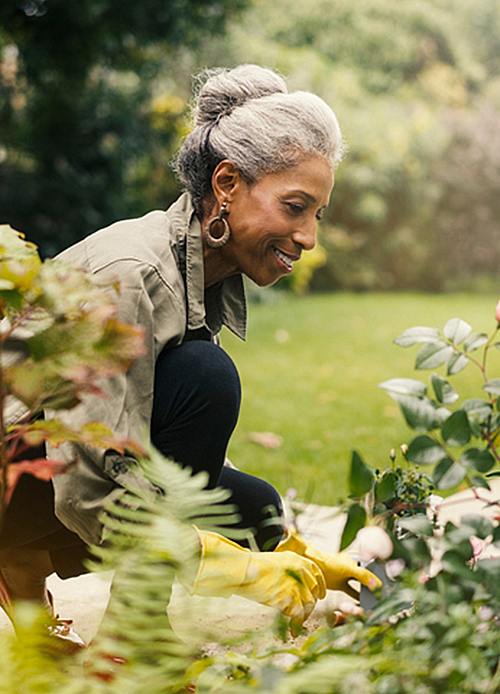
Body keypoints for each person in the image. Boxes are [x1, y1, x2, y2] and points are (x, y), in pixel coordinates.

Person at [0, 64, 380, 649]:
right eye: (296, 207)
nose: (308, 237)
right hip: (23, 474)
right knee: (207, 377)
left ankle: (21, 565)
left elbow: (155, 449)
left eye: (317, 215)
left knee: (256, 512)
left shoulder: (200, 274)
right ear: (226, 184)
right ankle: (129, 629)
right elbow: (85, 483)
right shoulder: (134, 273)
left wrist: (287, 555)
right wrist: (231, 567)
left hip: (43, 466)